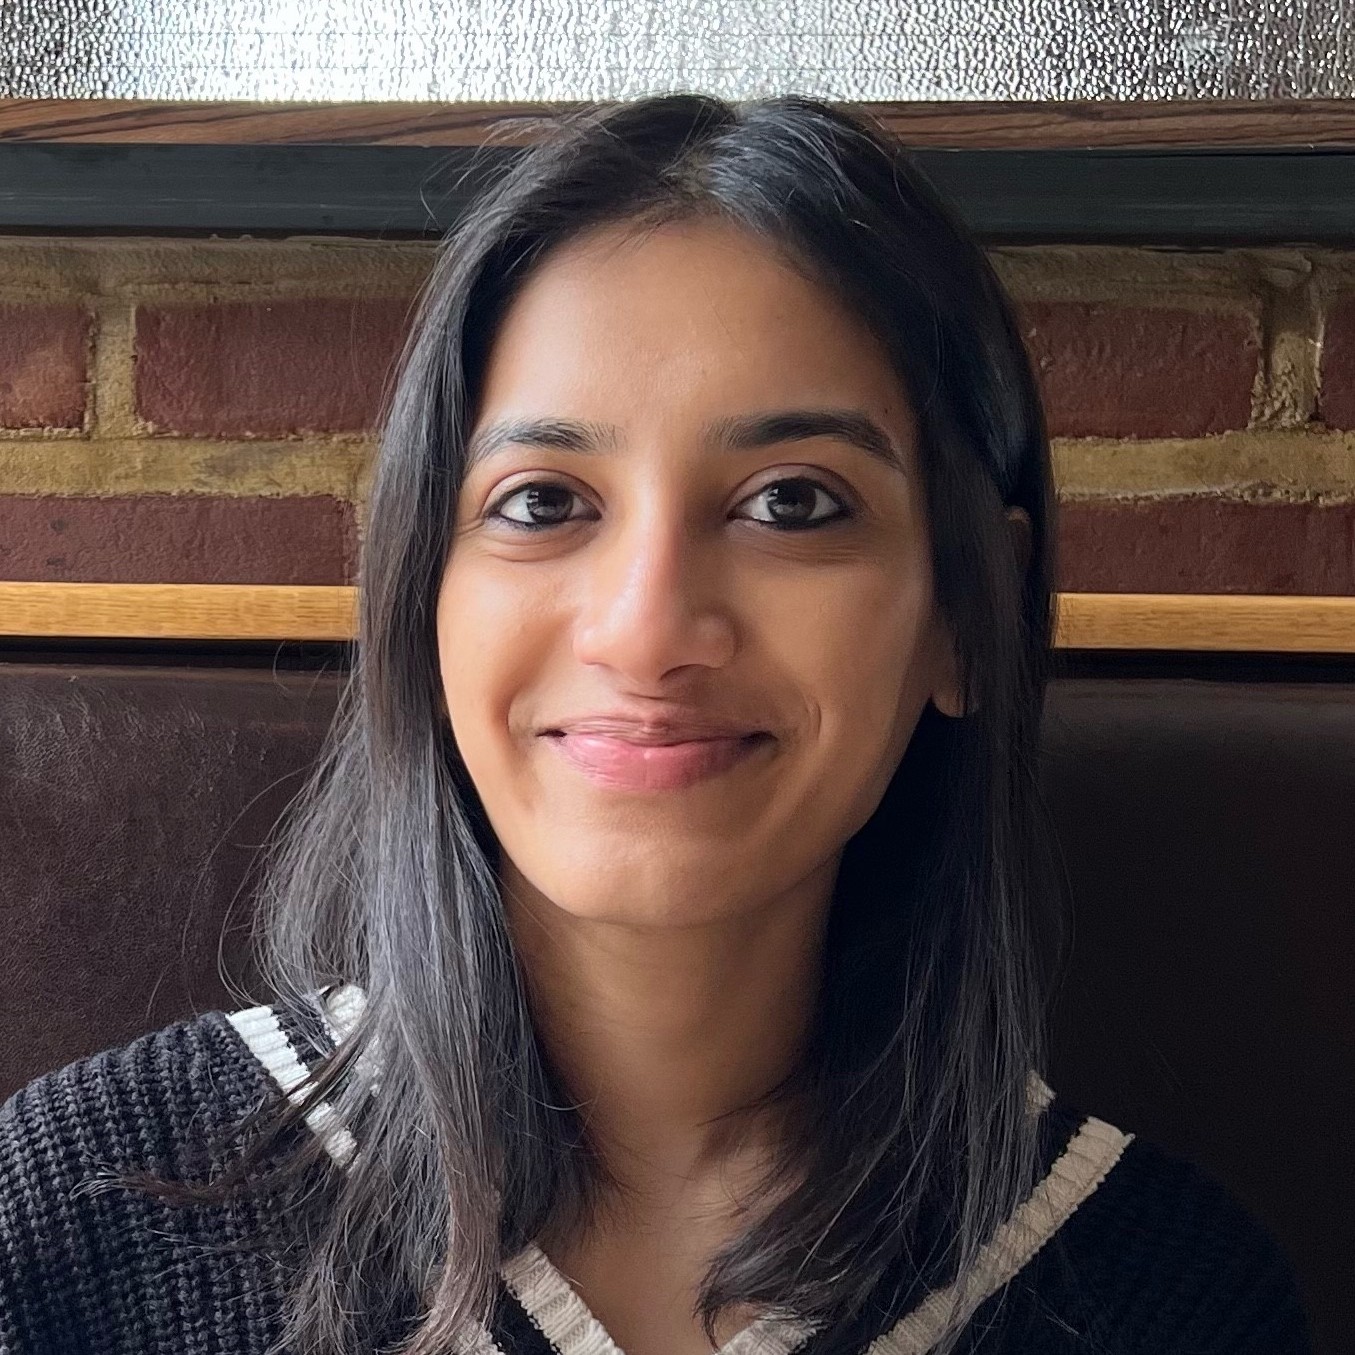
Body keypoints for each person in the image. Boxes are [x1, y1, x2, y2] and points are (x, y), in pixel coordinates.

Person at [0, 94, 1311, 1355]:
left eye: (793, 502)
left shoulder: (1172, 1299)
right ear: (421, 597)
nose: (646, 630)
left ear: (971, 616)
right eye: (542, 502)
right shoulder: (64, 1232)